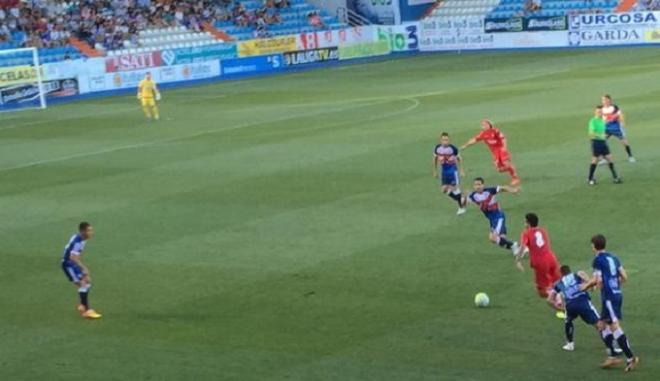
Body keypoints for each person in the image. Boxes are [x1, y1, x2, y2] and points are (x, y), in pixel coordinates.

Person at [581, 234, 639, 372]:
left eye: (591, 245)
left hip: (609, 298)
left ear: (594, 246)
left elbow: (597, 280)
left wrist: (585, 286)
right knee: (601, 325)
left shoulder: (597, 260)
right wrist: (613, 284)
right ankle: (612, 356)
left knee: (614, 327)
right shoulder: (614, 257)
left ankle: (631, 358)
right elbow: (624, 277)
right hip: (617, 295)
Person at [548, 265, 614, 353]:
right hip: (582, 302)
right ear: (570, 271)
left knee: (568, 320)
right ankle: (611, 348)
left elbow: (549, 300)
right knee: (599, 324)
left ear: (561, 274)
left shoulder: (559, 283)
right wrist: (591, 286)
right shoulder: (577, 274)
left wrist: (561, 309)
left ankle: (570, 344)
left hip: (570, 305)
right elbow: (589, 280)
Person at [514, 213, 561, 303]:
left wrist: (517, 260)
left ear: (528, 223)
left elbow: (523, 247)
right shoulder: (543, 230)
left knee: (541, 291)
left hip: (540, 262)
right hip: (551, 258)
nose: (524, 224)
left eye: (525, 222)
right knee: (556, 282)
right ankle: (561, 296)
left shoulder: (526, 233)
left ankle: (558, 300)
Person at [465, 177, 520, 254]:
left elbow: (502, 188)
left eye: (479, 184)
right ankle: (516, 247)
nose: (477, 186)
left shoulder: (489, 191)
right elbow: (464, 203)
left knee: (493, 237)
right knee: (501, 239)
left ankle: (516, 246)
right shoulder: (473, 196)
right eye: (475, 185)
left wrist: (512, 190)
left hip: (498, 217)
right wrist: (464, 197)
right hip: (492, 220)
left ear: (483, 185)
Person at [61, 222, 102, 319]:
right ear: (83, 231)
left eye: (91, 230)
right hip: (69, 265)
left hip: (70, 263)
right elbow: (73, 257)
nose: (92, 232)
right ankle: (87, 310)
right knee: (85, 283)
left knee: (83, 283)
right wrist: (83, 268)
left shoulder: (80, 238)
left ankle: (82, 305)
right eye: (89, 230)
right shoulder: (78, 241)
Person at [461, 120, 520, 186]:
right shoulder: (482, 134)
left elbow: (503, 138)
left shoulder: (495, 131)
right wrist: (465, 145)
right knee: (500, 169)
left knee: (506, 163)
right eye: (483, 125)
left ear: (489, 125)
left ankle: (515, 178)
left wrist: (504, 148)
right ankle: (511, 168)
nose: (484, 126)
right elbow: (474, 140)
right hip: (495, 153)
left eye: (486, 125)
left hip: (501, 149)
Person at [433, 132, 466, 215]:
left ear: (449, 140)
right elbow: (435, 159)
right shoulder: (437, 148)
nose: (445, 141)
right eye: (443, 140)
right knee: (444, 190)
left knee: (455, 189)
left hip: (452, 171)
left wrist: (461, 170)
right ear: (440, 140)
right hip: (444, 171)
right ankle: (461, 198)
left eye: (447, 140)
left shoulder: (453, 148)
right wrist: (435, 171)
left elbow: (460, 159)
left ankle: (461, 208)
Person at [588, 106, 621, 185]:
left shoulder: (602, 121)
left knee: (610, 158)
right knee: (595, 160)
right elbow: (591, 134)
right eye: (598, 112)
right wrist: (601, 136)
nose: (600, 113)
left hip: (603, 142)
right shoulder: (593, 121)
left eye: (601, 111)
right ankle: (590, 178)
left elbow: (606, 124)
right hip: (596, 142)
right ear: (595, 112)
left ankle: (615, 177)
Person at [601, 94, 635, 163]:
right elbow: (602, 119)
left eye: (604, 99)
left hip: (615, 127)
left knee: (624, 142)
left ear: (609, 100)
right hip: (607, 127)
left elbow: (620, 114)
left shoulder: (614, 107)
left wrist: (622, 123)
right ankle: (604, 158)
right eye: (602, 100)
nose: (603, 101)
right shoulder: (602, 109)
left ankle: (630, 156)